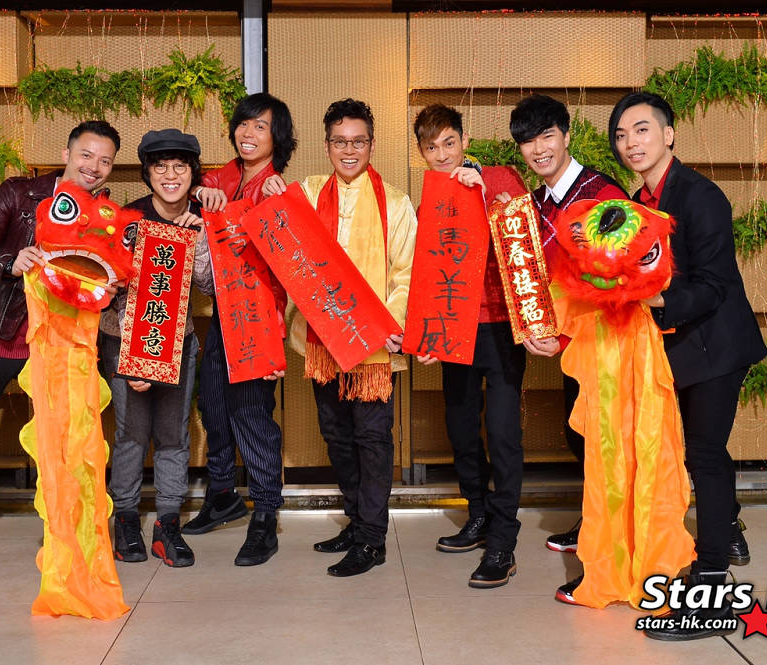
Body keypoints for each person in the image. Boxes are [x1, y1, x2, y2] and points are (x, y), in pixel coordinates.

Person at [608, 91, 767, 640]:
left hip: (717, 346)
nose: (631, 143)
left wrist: (655, 301)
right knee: (694, 450)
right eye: (622, 135)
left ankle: (713, 583)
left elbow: (715, 284)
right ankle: (728, 526)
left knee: (702, 452)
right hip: (675, 347)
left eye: (642, 130)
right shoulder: (637, 203)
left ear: (669, 134)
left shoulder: (701, 196)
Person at [0, 120, 120, 572]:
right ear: (67, 154)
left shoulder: (102, 215)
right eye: (86, 155)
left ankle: (68, 534)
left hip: (55, 344)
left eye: (105, 161)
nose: (93, 167)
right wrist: (10, 262)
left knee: (66, 442)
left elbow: (98, 278)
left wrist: (109, 283)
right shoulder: (19, 194)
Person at [263, 98, 417, 577]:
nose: (349, 151)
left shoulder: (395, 202)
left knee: (372, 438)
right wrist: (270, 191)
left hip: (375, 347)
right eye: (339, 142)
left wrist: (389, 325)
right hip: (322, 342)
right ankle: (355, 520)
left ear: (372, 144)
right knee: (337, 435)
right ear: (327, 145)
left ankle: (372, 538)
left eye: (358, 142)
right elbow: (278, 239)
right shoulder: (307, 193)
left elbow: (406, 274)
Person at [411, 103, 529, 588]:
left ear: (464, 140)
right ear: (422, 152)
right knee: (461, 430)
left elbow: (526, 243)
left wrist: (484, 196)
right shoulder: (430, 201)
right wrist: (425, 334)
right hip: (452, 327)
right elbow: (425, 273)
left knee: (502, 434)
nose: (442, 154)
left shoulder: (501, 178)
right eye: (431, 147)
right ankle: (477, 514)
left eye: (449, 143)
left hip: (499, 326)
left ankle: (503, 539)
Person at [507, 95, 627, 557]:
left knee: (609, 438)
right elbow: (534, 276)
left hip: (610, 341)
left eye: (547, 136)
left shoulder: (604, 195)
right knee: (580, 435)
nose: (538, 149)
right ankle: (595, 521)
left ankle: (614, 539)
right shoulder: (535, 205)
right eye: (528, 142)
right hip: (574, 347)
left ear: (567, 135)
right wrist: (539, 331)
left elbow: (619, 275)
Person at [180, 93, 295, 567]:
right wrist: (199, 194)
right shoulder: (223, 177)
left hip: (259, 319)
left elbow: (293, 265)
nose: (248, 133)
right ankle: (223, 494)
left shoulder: (279, 188)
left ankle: (265, 513)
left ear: (277, 138)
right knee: (212, 405)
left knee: (252, 416)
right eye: (244, 124)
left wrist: (282, 207)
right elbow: (190, 189)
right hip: (221, 316)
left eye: (260, 127)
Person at [98, 129, 207, 568]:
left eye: (180, 166)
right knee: (130, 433)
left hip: (180, 341)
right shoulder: (128, 222)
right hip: (125, 341)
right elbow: (111, 290)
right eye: (160, 167)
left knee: (173, 434)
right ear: (147, 173)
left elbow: (212, 287)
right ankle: (125, 517)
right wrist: (140, 354)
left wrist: (200, 242)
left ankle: (167, 522)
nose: (170, 175)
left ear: (192, 173)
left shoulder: (200, 217)